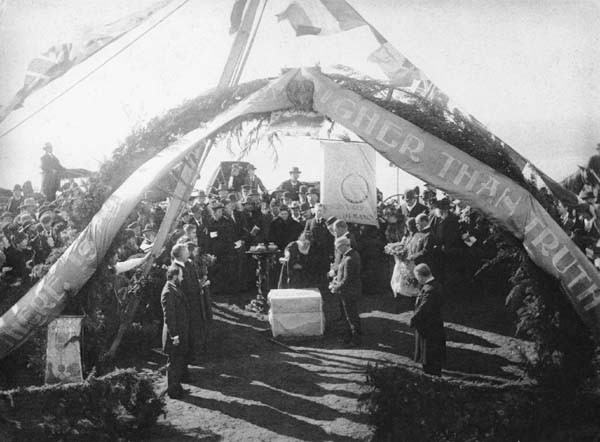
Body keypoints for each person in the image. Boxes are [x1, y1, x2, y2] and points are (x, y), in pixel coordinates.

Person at [409, 263, 446, 376]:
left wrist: (412, 320)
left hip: (429, 327)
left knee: (429, 356)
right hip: (435, 325)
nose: (417, 280)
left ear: (421, 276)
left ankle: (431, 377)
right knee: (432, 355)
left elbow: (423, 308)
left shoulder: (429, 289)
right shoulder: (435, 285)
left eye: (417, 277)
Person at [161, 265, 191, 399]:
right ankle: (173, 391)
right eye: (180, 275)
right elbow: (169, 317)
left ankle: (176, 387)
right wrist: (174, 336)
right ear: (174, 277)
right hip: (174, 334)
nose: (182, 278)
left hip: (179, 332)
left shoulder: (174, 288)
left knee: (177, 361)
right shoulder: (168, 292)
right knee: (173, 362)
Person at [330, 237, 362, 346]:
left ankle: (356, 339)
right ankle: (349, 337)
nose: (337, 250)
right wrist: (336, 280)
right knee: (350, 315)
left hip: (349, 291)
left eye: (338, 248)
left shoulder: (349, 258)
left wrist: (336, 287)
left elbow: (347, 279)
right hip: (350, 290)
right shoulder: (351, 255)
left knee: (351, 316)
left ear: (344, 246)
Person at [304, 203, 334, 296]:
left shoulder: (327, 223)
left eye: (321, 211)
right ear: (314, 211)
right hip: (312, 254)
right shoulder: (309, 222)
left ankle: (324, 294)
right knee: (313, 274)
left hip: (323, 254)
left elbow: (330, 239)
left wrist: (330, 253)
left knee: (323, 275)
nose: (319, 213)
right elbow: (305, 236)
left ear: (324, 212)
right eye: (317, 210)